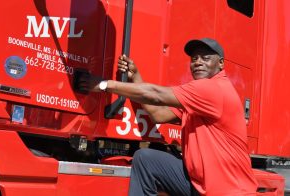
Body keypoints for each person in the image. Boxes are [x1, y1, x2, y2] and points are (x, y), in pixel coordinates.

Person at [77, 38, 258, 195]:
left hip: (229, 191)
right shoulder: (197, 99)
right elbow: (158, 114)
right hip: (201, 185)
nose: (198, 62)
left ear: (221, 64)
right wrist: (136, 77)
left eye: (206, 58)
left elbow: (156, 94)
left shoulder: (214, 89)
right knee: (146, 160)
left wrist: (103, 85)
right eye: (194, 59)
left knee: (146, 159)